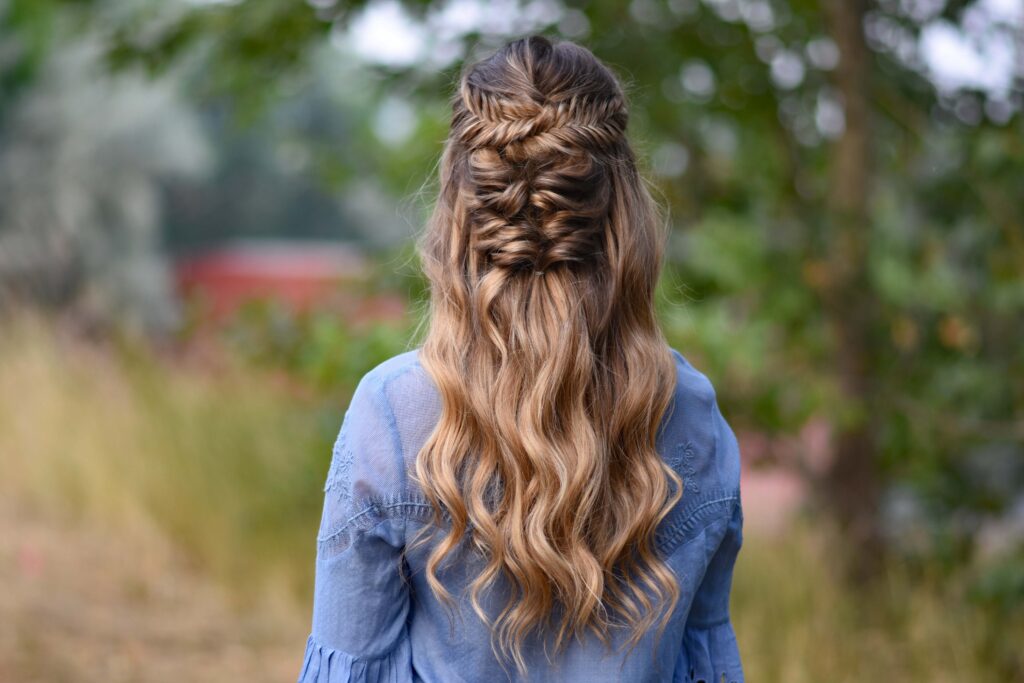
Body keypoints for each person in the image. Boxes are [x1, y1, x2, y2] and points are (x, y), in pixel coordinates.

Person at [296, 35, 744, 683]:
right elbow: (706, 668)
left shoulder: (392, 411)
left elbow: (350, 668)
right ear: (624, 217)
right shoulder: (693, 415)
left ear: (458, 213)